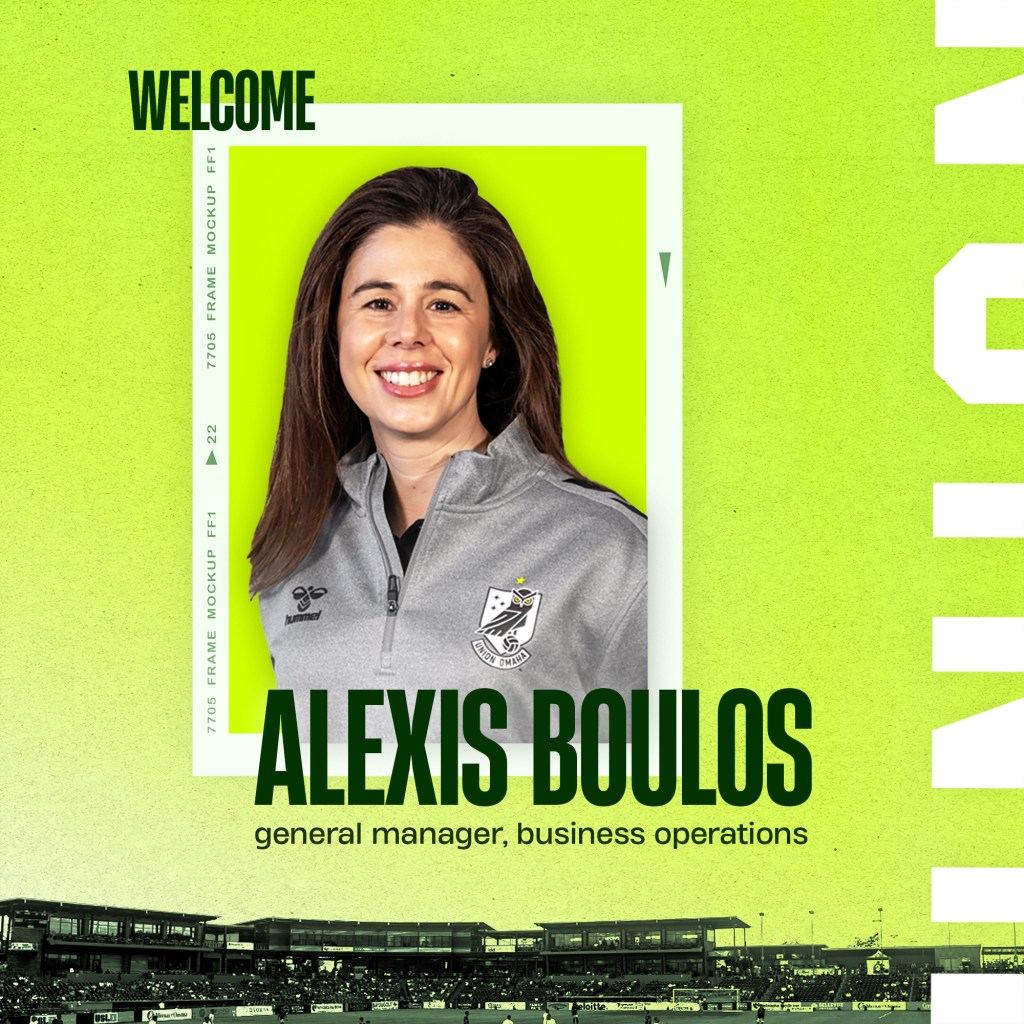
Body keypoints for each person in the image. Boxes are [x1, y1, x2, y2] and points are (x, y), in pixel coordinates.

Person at [252, 166, 647, 741]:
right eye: (378, 302)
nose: (407, 333)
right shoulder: (295, 547)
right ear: (334, 334)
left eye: (443, 305)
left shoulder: (613, 555)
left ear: (492, 340)